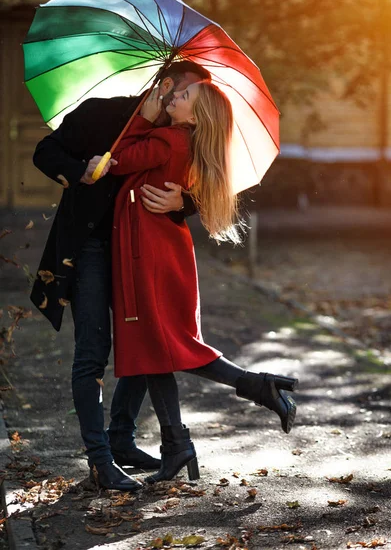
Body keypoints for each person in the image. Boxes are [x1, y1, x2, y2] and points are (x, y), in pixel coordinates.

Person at [30, 61, 211, 492]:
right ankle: (100, 461)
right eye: (186, 92)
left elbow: (201, 186)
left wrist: (181, 203)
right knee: (93, 348)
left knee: (145, 340)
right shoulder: (100, 114)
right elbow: (44, 152)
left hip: (138, 251)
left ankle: (122, 439)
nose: (189, 102)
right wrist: (79, 171)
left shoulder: (178, 135)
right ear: (166, 86)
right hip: (90, 248)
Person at [106, 81, 298, 484]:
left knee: (162, 347)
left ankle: (251, 391)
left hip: (150, 255)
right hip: (160, 250)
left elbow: (117, 159)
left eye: (183, 96)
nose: (173, 96)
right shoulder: (186, 142)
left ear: (194, 116)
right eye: (176, 92)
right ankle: (154, 443)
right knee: (152, 347)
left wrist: (141, 118)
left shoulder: (166, 139)